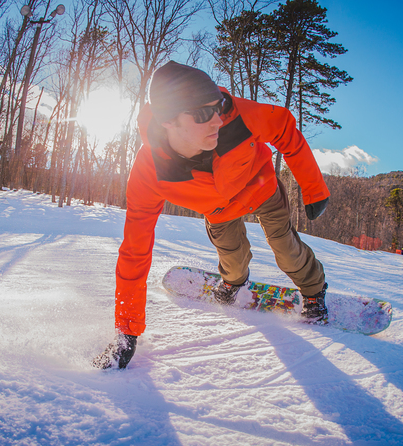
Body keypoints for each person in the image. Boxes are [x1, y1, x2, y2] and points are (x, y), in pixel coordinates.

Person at [93, 61, 331, 370]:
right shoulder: (150, 173)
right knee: (231, 260)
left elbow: (284, 127)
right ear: (168, 121)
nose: (217, 120)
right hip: (219, 209)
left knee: (285, 249)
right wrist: (127, 331)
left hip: (261, 188)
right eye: (203, 114)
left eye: (217, 107)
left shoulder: (239, 116)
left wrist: (315, 189)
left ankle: (314, 291)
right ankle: (234, 283)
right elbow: (134, 252)